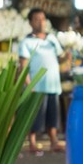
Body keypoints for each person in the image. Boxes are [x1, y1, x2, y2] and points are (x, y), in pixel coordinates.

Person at [14, 9, 66, 154]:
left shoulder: (52, 39)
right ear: (30, 22)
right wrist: (29, 84)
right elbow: (23, 66)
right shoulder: (26, 42)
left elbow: (60, 58)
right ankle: (32, 142)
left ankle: (54, 141)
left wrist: (67, 54)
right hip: (36, 86)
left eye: (43, 19)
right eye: (37, 19)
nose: (41, 22)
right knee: (34, 115)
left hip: (53, 85)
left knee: (53, 115)